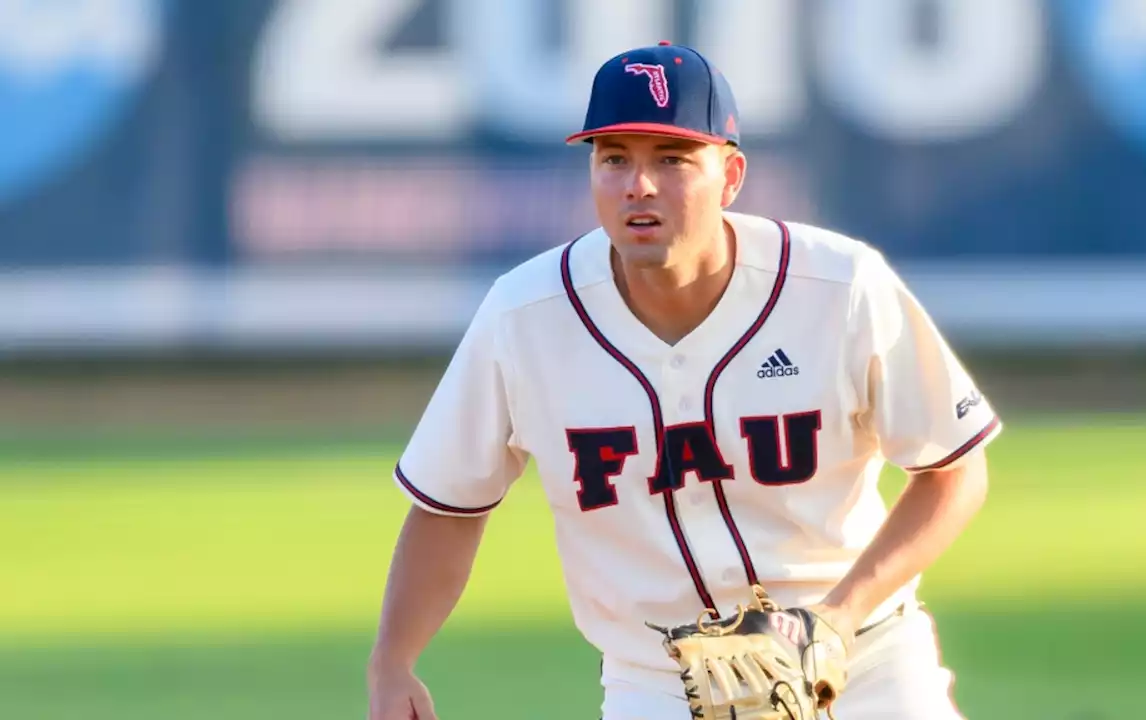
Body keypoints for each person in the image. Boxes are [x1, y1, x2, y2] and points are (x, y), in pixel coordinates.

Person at [367, 40, 1000, 720]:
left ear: (730, 176)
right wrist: (393, 662)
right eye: (615, 159)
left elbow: (954, 470)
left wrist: (838, 620)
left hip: (865, 664)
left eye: (670, 160)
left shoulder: (837, 285)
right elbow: (449, 505)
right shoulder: (525, 317)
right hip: (661, 684)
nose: (638, 185)